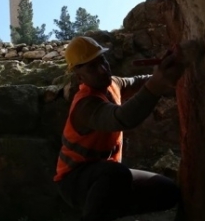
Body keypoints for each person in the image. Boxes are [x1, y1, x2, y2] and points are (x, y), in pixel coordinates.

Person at [55, 36, 185, 221]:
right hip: (74, 182)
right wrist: (158, 84)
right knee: (116, 173)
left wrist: (167, 74)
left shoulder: (113, 83)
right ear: (79, 76)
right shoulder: (85, 105)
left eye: (103, 61)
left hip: (105, 177)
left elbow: (139, 82)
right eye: (92, 67)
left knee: (168, 192)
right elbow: (122, 118)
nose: (102, 69)